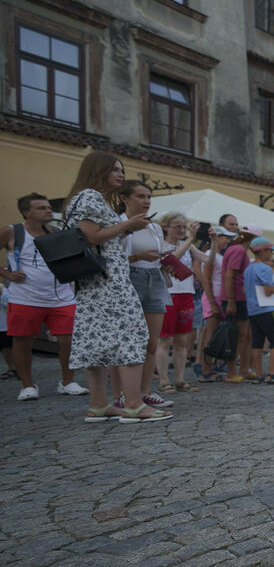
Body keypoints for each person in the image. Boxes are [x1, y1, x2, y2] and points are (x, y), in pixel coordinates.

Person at [63, 152, 170, 422]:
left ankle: (99, 405)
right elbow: (90, 236)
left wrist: (125, 229)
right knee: (131, 336)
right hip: (109, 281)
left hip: (94, 281)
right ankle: (133, 404)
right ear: (99, 171)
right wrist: (127, 224)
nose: (120, 175)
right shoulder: (90, 196)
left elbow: (97, 238)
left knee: (94, 341)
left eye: (121, 170)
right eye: (115, 170)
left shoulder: (84, 198)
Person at [0, 192, 88, 400]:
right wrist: (6, 274)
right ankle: (27, 385)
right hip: (25, 297)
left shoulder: (57, 232)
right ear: (26, 212)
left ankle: (68, 381)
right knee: (22, 342)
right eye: (41, 208)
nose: (48, 210)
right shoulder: (12, 232)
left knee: (68, 341)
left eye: (48, 207)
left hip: (61, 296)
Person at [116, 180, 175, 409]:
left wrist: (164, 263)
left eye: (149, 196)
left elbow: (156, 253)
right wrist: (139, 257)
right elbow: (111, 259)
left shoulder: (154, 226)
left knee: (152, 341)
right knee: (127, 340)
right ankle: (123, 394)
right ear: (125, 198)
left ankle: (144, 391)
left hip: (154, 278)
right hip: (130, 278)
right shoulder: (119, 224)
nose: (147, 201)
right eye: (140, 196)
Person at [155, 212, 206, 393]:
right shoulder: (160, 244)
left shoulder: (188, 245)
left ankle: (180, 379)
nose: (181, 230)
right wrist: (191, 238)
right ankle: (163, 380)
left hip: (186, 294)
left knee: (182, 341)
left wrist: (214, 243)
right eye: (177, 227)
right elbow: (172, 259)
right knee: (165, 340)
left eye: (183, 227)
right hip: (168, 295)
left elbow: (207, 259)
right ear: (166, 227)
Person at [243, 237, 274, 384]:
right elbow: (269, 291)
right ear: (263, 251)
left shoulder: (248, 269)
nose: (271, 253)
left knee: (256, 342)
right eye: (270, 250)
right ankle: (273, 374)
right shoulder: (264, 268)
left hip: (253, 310)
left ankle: (259, 374)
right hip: (267, 309)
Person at [220, 224, 263, 382]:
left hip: (241, 298)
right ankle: (231, 372)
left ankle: (244, 369)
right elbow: (229, 276)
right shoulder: (238, 250)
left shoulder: (238, 249)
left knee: (245, 335)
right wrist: (231, 301)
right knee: (237, 336)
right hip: (236, 298)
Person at [196, 226, 233, 383]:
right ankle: (206, 370)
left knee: (216, 334)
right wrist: (212, 302)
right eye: (225, 237)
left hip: (219, 296)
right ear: (216, 238)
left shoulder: (220, 256)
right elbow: (206, 279)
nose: (228, 240)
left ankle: (210, 368)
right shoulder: (209, 256)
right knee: (211, 335)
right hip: (213, 297)